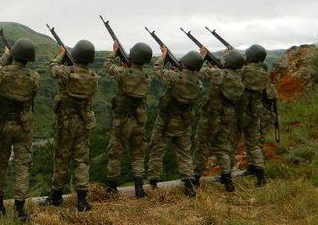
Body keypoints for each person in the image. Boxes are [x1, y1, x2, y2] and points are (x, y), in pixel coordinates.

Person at [0, 39, 39, 222]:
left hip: (4, 126)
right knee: (22, 166)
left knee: (0, 165)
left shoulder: (1, 73)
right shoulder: (34, 77)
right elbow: (32, 96)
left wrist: (5, 55)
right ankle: (19, 211)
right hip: (24, 126)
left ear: (14, 54)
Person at [41, 40, 98, 211]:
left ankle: (56, 196)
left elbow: (51, 67)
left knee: (61, 158)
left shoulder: (66, 72)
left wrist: (60, 54)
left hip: (65, 123)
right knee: (82, 160)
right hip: (84, 123)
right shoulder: (94, 77)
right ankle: (82, 200)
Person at [146, 48, 203, 197]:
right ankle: (189, 183)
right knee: (184, 153)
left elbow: (157, 70)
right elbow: (189, 78)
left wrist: (163, 56)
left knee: (157, 150)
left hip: (166, 121)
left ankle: (153, 182)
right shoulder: (198, 83)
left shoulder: (174, 77)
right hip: (184, 122)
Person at [103, 42, 153, 198]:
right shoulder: (146, 78)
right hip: (139, 121)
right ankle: (139, 189)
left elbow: (108, 66)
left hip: (123, 122)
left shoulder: (124, 74)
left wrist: (114, 52)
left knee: (115, 153)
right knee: (138, 154)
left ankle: (112, 189)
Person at [192, 49, 245, 191]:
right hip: (226, 116)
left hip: (210, 117)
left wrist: (202, 57)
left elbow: (197, 72)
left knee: (202, 146)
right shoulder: (240, 77)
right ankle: (228, 181)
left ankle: (195, 179)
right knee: (222, 148)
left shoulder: (218, 73)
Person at [238, 44, 274, 186]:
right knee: (253, 143)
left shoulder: (244, 70)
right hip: (254, 112)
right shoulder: (263, 72)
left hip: (240, 112)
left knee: (229, 142)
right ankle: (258, 173)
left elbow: (231, 71)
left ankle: (225, 176)